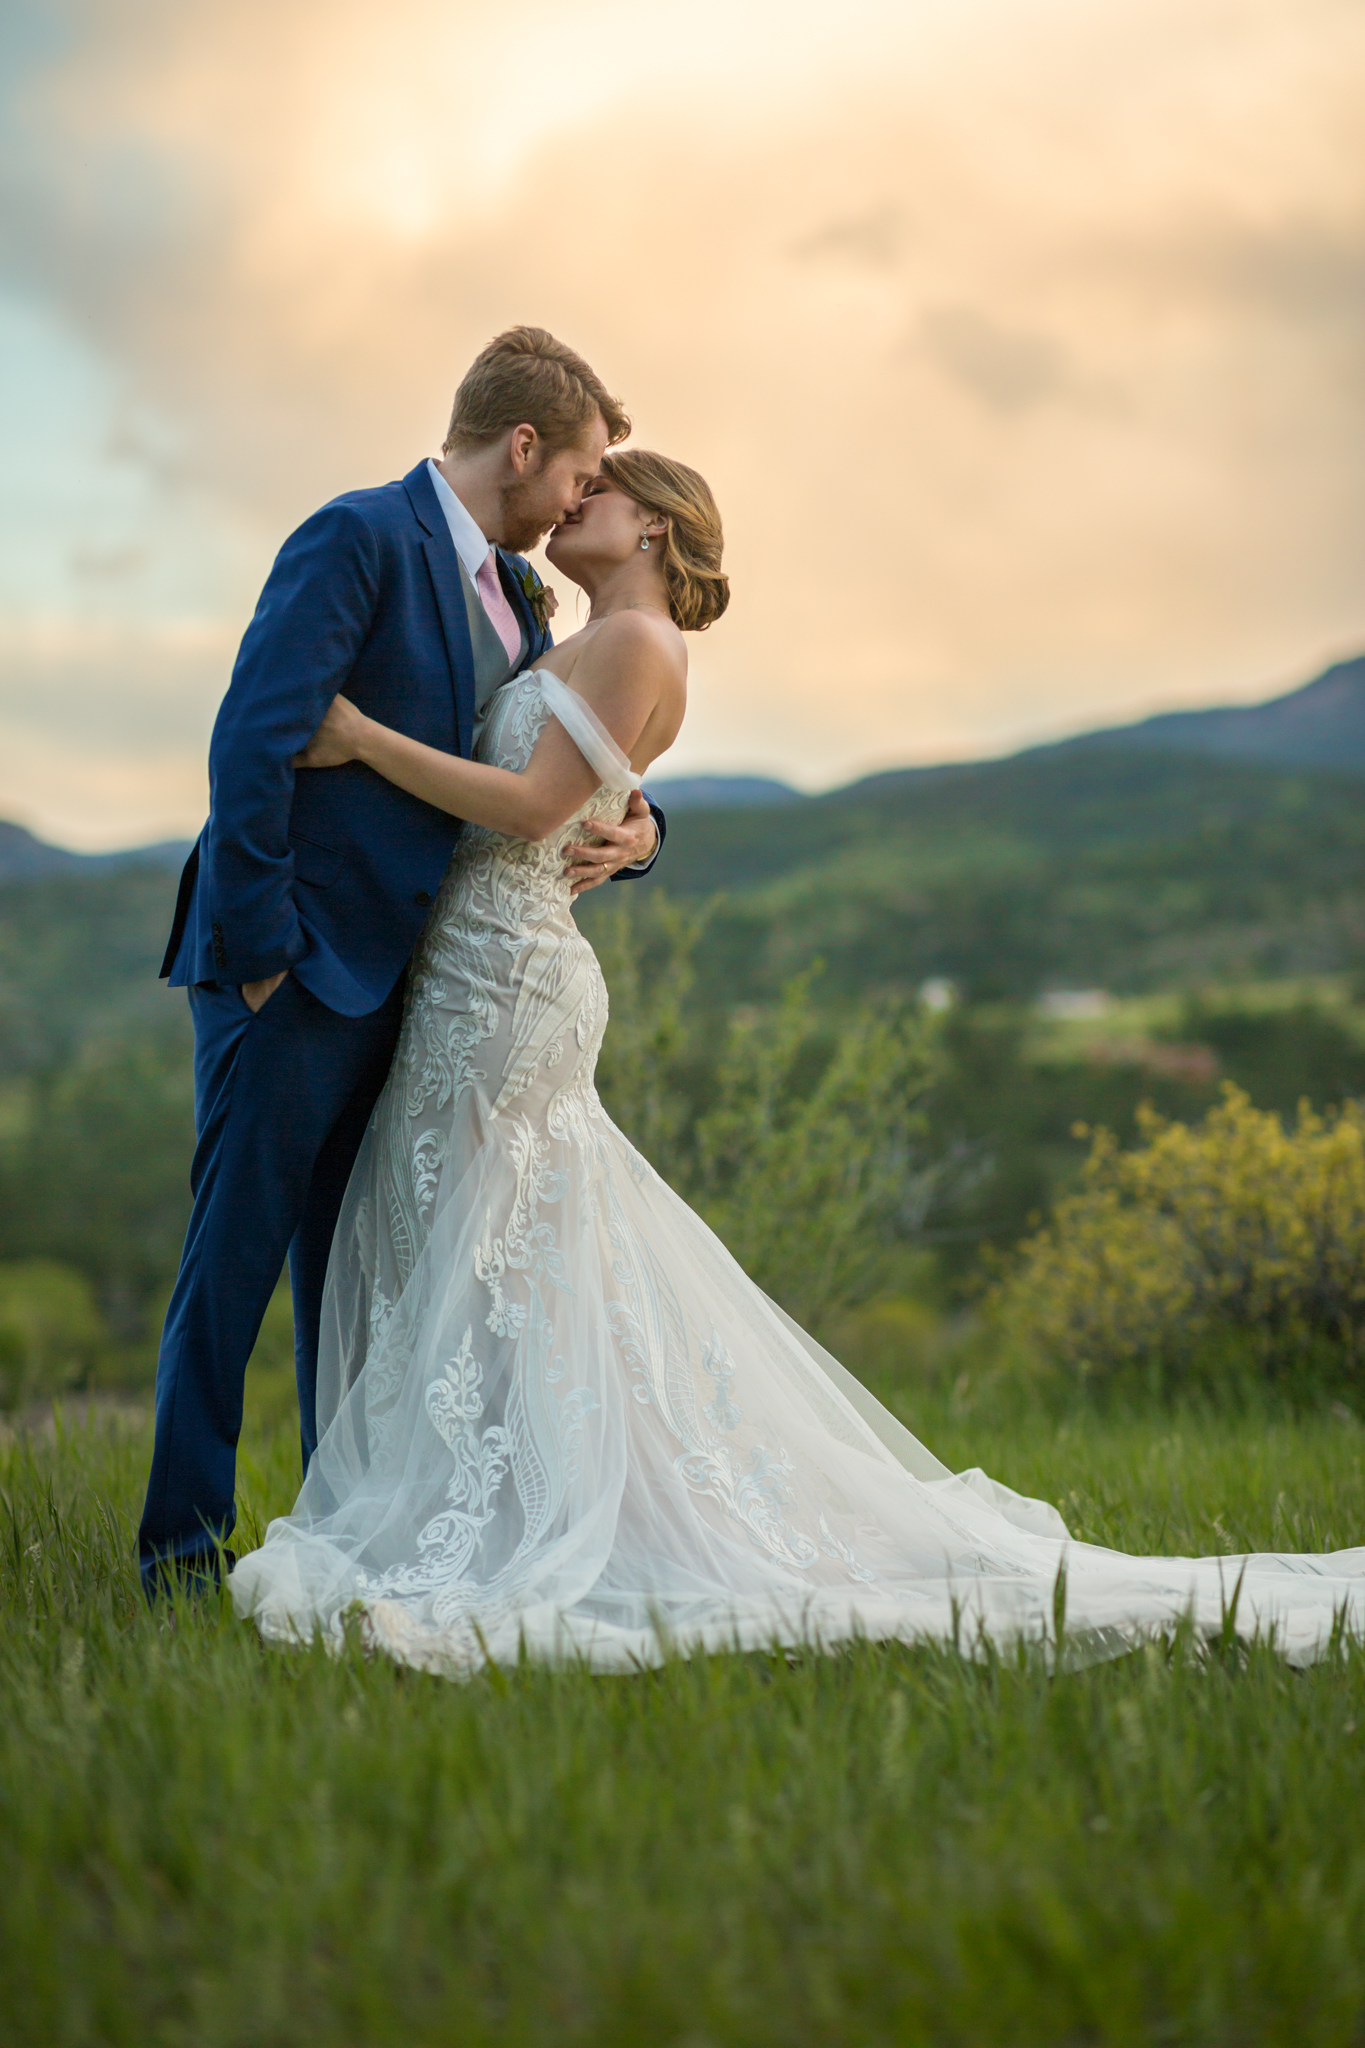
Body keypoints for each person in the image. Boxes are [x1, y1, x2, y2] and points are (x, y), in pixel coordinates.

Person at [231, 449, 1363, 1673]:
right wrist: (636, 824)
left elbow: (522, 806)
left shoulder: (638, 644)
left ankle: (534, 1519)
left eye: (598, 489)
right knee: (504, 1258)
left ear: (655, 528)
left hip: (507, 983)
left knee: (499, 1250)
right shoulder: (577, 629)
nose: (574, 503)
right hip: (474, 967)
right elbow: (582, 796)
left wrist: (357, 735)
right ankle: (511, 1494)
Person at [138, 328, 664, 1596]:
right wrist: (263, 957)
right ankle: (181, 1555)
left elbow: (554, 756)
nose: (582, 499)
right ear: (523, 445)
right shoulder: (359, 536)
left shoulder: (521, 592)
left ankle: (342, 1536)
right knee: (235, 1266)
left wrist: (642, 830)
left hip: (427, 989)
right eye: (579, 472)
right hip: (301, 973)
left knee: (353, 1284)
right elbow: (253, 742)